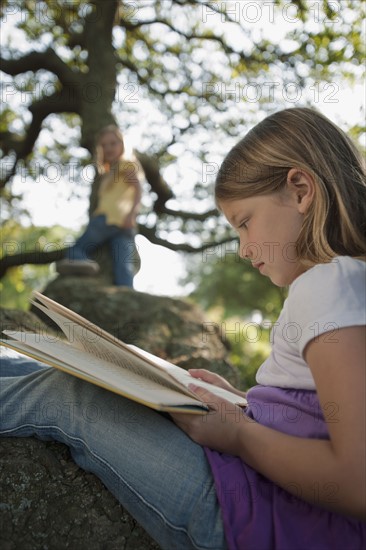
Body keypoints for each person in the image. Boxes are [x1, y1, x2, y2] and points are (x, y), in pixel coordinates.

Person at [1, 107, 365, 549]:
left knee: (70, 395)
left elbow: (355, 478)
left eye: (244, 223)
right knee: (94, 367)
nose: (243, 249)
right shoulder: (345, 285)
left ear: (301, 190)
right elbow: (318, 415)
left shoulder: (330, 284)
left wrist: (239, 434)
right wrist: (242, 402)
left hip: (261, 517)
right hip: (261, 498)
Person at [56, 125, 142, 287]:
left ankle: (83, 263)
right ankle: (126, 292)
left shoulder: (126, 165)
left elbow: (138, 190)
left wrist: (132, 214)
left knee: (75, 250)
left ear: (122, 145)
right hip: (122, 225)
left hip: (108, 219)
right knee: (123, 267)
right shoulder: (107, 173)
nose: (108, 148)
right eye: (104, 145)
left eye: (113, 143)